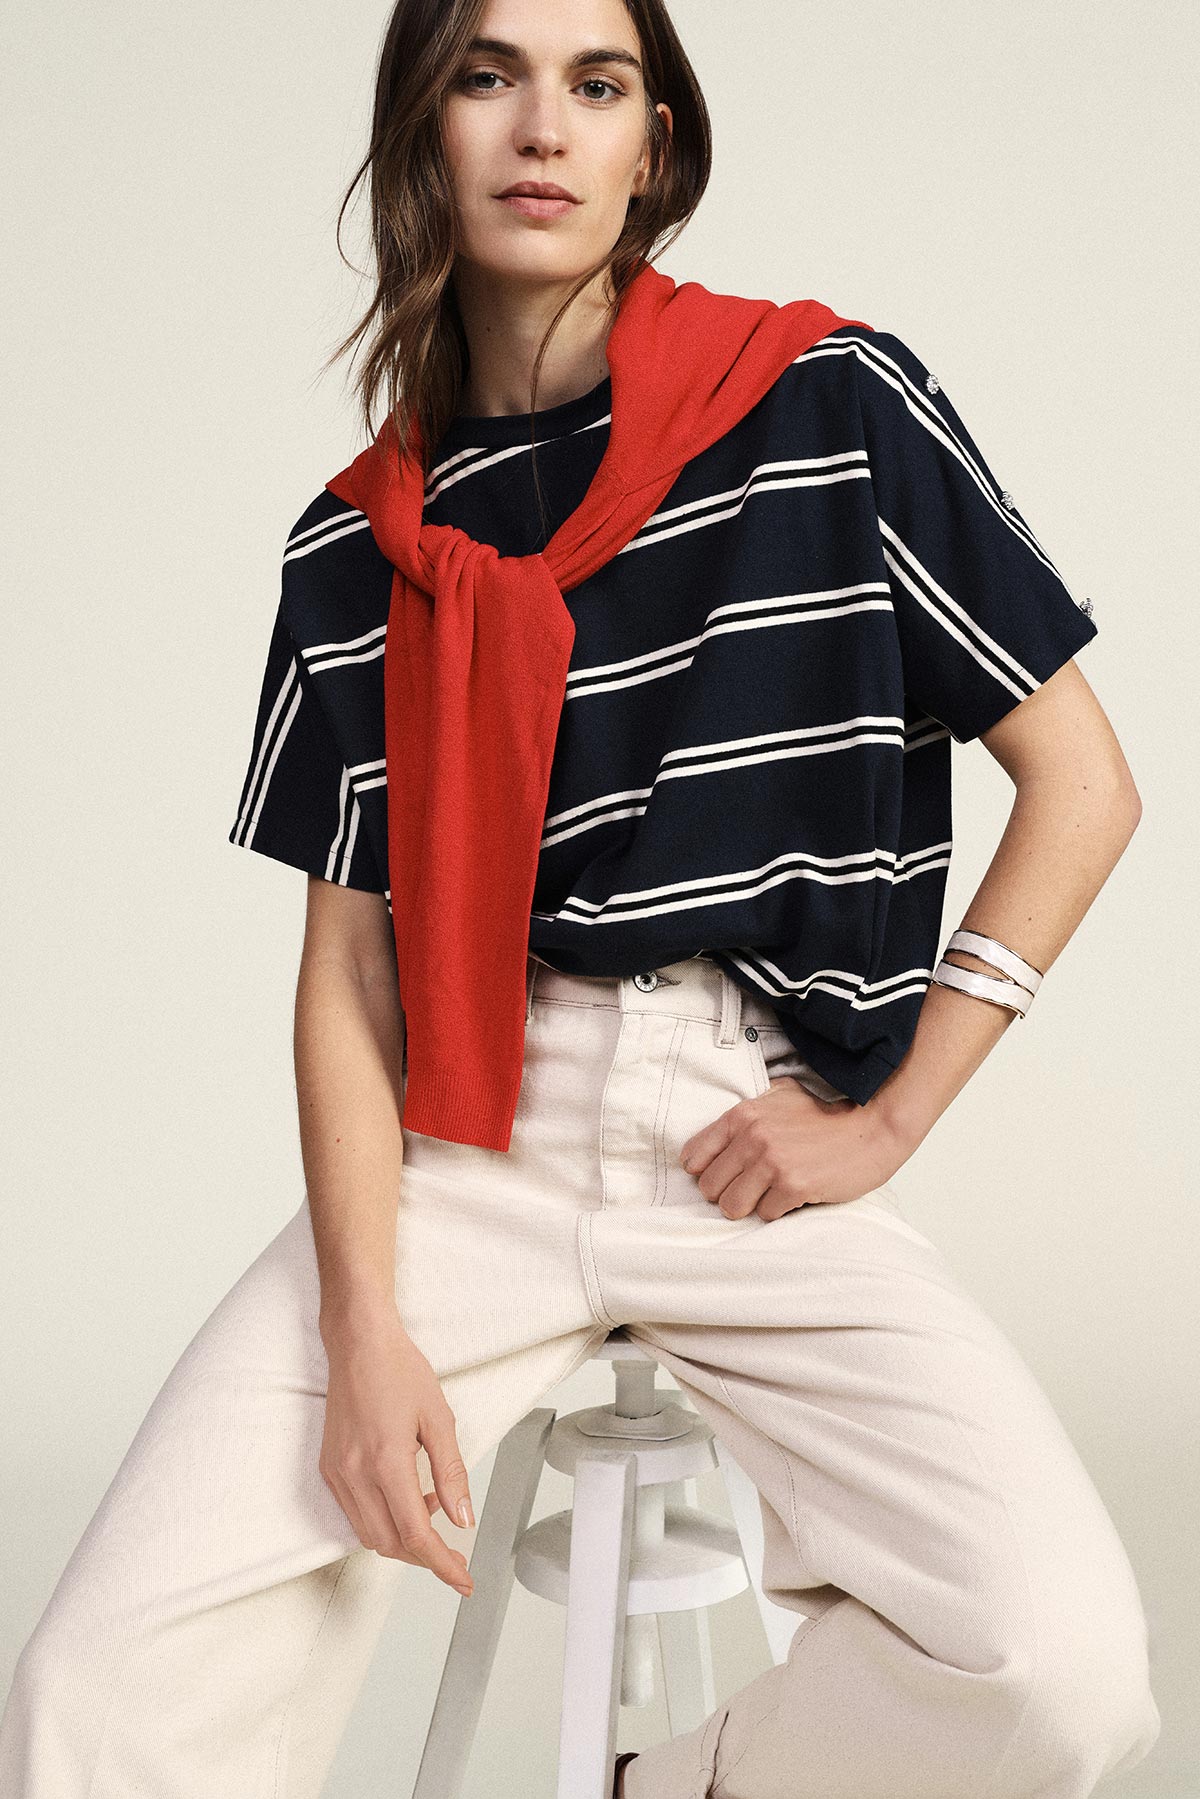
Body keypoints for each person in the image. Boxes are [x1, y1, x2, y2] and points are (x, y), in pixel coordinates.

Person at [0, 1, 1163, 1796]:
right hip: (472, 1127)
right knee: (99, 1679)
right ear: (424, 131)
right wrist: (363, 1323)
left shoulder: (827, 403)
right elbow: (348, 976)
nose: (544, 125)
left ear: (655, 150)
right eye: (490, 75)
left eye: (597, 84)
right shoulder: (358, 539)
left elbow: (1085, 784)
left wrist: (901, 1111)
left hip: (749, 1125)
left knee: (1062, 1676)